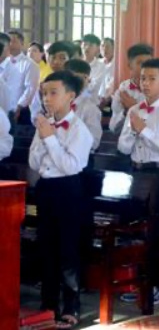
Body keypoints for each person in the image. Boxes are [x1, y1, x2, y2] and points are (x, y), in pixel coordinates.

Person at [29, 71, 92, 329]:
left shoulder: (79, 130)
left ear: (70, 96)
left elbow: (69, 166)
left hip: (68, 190)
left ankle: (71, 306)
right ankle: (48, 304)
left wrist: (50, 138)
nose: (47, 98)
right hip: (46, 188)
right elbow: (34, 161)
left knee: (68, 250)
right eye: (44, 93)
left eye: (53, 93)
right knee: (47, 247)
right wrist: (44, 137)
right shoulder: (45, 124)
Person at [119, 58, 159, 306]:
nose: (145, 83)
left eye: (152, 79)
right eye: (143, 78)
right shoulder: (134, 110)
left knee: (157, 231)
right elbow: (124, 147)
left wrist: (144, 131)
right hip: (136, 173)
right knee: (136, 230)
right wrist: (134, 132)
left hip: (158, 175)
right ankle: (138, 281)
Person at [110, 44, 154, 132]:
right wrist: (125, 112)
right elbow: (113, 128)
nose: (146, 67)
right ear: (130, 65)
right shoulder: (122, 91)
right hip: (128, 139)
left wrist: (135, 108)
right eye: (140, 63)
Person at [64, 60, 102, 152]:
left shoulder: (90, 108)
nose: (77, 83)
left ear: (87, 80)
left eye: (83, 78)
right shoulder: (59, 104)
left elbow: (94, 142)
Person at [5, 30, 41, 125]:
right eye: (8, 42)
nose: (10, 44)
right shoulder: (4, 62)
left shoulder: (30, 64)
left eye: (13, 41)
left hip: (21, 110)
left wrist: (19, 106)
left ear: (22, 44)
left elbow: (30, 89)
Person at [81, 34, 106, 102]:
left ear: (97, 48)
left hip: (93, 101)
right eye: (85, 44)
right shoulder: (75, 64)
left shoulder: (101, 66)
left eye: (91, 45)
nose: (87, 47)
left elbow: (95, 87)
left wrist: (80, 93)